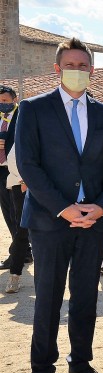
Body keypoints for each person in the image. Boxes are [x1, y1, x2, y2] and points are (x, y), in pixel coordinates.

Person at [16, 38, 103, 373]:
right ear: (57, 68)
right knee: (47, 297)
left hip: (93, 222)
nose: (77, 70)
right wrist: (64, 207)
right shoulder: (33, 109)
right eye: (71, 64)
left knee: (84, 297)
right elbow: (28, 164)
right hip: (50, 220)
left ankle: (81, 365)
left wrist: (101, 207)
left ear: (92, 70)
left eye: (84, 65)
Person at [3, 144, 30, 293]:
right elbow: (12, 157)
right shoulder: (26, 123)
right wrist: (24, 180)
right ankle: (14, 275)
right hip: (21, 185)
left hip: (47, 187)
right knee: (22, 231)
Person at [0, 85, 20, 272]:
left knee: (17, 213)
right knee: (7, 212)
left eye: (5, 101)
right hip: (1, 172)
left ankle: (18, 252)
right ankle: (21, 250)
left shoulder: (22, 116)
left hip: (14, 171)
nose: (2, 104)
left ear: (14, 99)